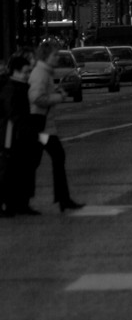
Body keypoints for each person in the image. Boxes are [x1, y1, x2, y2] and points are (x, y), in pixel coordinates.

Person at [28, 40, 84, 213]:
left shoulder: (44, 72)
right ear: (45, 56)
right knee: (49, 158)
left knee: (37, 161)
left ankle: (62, 198)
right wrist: (57, 98)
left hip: (43, 126)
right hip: (41, 127)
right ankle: (61, 199)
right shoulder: (41, 74)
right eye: (55, 55)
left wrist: (55, 94)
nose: (57, 58)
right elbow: (37, 97)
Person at [0, 52, 40, 216]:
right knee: (10, 168)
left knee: (24, 167)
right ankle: (8, 203)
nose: (28, 75)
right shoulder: (11, 89)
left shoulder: (20, 87)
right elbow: (12, 114)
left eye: (29, 71)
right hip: (12, 134)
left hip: (21, 133)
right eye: (25, 71)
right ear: (15, 71)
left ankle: (19, 203)